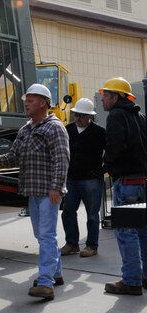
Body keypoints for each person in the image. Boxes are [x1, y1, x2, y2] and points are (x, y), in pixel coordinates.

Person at [0, 83, 69, 301]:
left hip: (49, 192)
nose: (26, 104)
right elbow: (13, 156)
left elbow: (62, 158)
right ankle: (56, 273)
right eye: (26, 100)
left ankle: (45, 282)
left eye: (31, 100)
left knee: (46, 235)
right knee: (42, 235)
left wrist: (56, 187)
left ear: (43, 103)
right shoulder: (26, 129)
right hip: (33, 191)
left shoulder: (54, 128)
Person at [99, 77, 147, 296]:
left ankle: (131, 281)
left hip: (127, 183)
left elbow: (115, 146)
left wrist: (106, 165)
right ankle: (144, 276)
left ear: (116, 97)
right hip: (142, 182)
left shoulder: (116, 115)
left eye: (105, 96)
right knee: (143, 232)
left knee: (126, 233)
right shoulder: (140, 117)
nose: (102, 100)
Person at [60, 98, 106, 258]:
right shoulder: (67, 130)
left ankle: (92, 246)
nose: (78, 118)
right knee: (67, 212)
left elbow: (112, 151)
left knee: (92, 214)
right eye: (76, 115)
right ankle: (72, 243)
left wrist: (103, 169)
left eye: (82, 116)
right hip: (71, 179)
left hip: (91, 180)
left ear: (90, 117)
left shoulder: (100, 133)